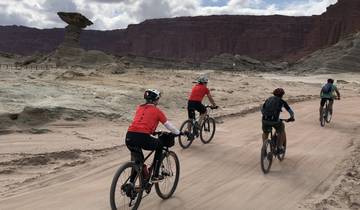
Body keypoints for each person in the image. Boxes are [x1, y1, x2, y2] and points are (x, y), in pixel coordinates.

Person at [125, 89, 180, 181]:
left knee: (138, 161)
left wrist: (151, 131)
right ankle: (155, 175)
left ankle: (132, 183)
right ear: (156, 100)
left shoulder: (140, 108)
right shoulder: (157, 111)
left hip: (129, 136)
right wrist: (178, 132)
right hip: (142, 137)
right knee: (160, 145)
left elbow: (141, 123)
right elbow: (168, 125)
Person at [261, 88, 295, 154]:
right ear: (282, 95)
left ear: (274, 93)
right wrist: (291, 118)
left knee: (265, 132)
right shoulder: (282, 102)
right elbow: (291, 112)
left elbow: (262, 109)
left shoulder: (268, 99)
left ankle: (264, 147)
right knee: (281, 129)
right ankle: (279, 147)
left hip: (264, 120)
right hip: (275, 121)